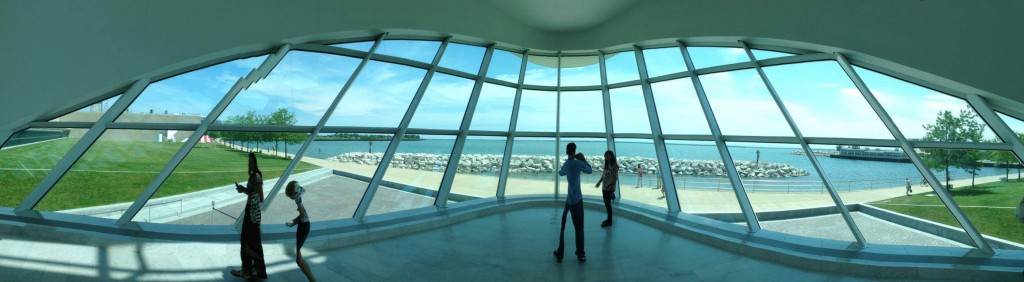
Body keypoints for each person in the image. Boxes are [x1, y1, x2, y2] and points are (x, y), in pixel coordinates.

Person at [553, 142, 592, 263]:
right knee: (579, 228)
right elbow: (590, 171)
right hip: (577, 200)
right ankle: (580, 254)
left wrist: (566, 164)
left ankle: (560, 253)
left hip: (568, 200)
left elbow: (560, 173)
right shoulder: (578, 163)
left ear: (566, 151)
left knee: (563, 227)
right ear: (575, 150)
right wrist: (584, 160)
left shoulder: (567, 163)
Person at [232, 152, 267, 281]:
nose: (250, 164)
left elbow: (261, 198)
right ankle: (248, 270)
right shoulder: (252, 177)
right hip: (250, 211)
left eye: (252, 162)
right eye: (249, 162)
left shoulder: (257, 177)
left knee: (248, 242)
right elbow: (252, 193)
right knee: (249, 242)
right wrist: (243, 190)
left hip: (253, 214)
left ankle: (248, 271)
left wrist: (249, 192)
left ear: (255, 163)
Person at [286, 181, 317, 282]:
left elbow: (303, 214)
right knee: (299, 258)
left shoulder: (297, 199)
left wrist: (298, 217)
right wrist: (295, 221)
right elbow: (304, 215)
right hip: (303, 226)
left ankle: (313, 281)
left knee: (299, 260)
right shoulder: (298, 198)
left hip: (303, 227)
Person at [594, 150, 619, 228]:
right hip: (604, 187)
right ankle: (608, 219)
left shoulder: (615, 166)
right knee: (606, 204)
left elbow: (616, 177)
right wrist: (599, 182)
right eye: (605, 155)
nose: (606, 156)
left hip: (609, 188)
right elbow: (603, 175)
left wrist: (612, 188)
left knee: (608, 205)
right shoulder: (607, 165)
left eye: (608, 155)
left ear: (611, 156)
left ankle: (609, 221)